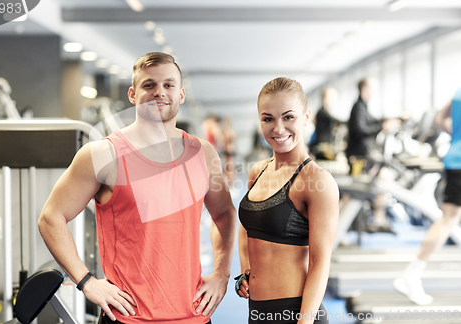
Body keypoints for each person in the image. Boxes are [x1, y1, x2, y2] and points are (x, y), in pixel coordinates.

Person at [38, 52, 237, 324]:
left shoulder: (203, 153)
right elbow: (51, 217)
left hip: (194, 315)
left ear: (181, 94)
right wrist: (87, 282)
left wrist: (221, 274)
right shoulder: (103, 154)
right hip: (128, 317)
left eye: (168, 85)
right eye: (149, 85)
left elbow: (225, 213)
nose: (159, 93)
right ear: (133, 94)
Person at [236, 77, 339, 323]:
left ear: (306, 117)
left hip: (295, 313)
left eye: (288, 117)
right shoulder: (258, 171)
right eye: (268, 118)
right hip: (257, 312)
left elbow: (319, 262)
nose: (278, 128)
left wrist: (304, 321)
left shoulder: (316, 181)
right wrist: (244, 271)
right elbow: (246, 229)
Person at [394, 88, 461, 306]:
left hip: (453, 157)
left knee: (449, 218)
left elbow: (440, 119)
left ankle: (412, 273)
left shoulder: (458, 92)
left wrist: (457, 136)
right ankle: (412, 274)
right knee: (449, 219)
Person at [346, 78, 400, 232]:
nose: (374, 93)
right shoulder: (358, 108)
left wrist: (393, 120)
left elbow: (374, 121)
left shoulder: (364, 108)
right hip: (358, 158)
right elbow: (360, 130)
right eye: (372, 89)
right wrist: (381, 126)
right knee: (352, 193)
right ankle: (342, 227)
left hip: (364, 156)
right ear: (364, 89)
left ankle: (378, 218)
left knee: (382, 178)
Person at [310, 87, 340, 160]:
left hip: (323, 145)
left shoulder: (323, 112)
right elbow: (335, 120)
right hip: (321, 146)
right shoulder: (322, 112)